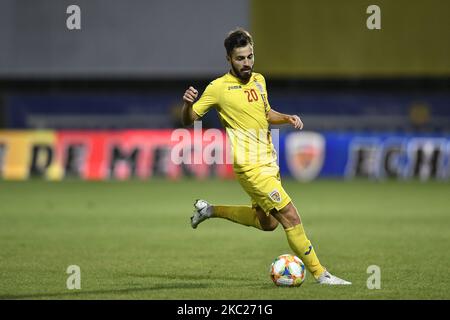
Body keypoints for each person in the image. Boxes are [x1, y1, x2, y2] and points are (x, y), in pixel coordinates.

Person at [181, 28, 351, 285]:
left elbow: (266, 112)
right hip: (251, 167)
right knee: (290, 216)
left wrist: (287, 118)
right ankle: (321, 274)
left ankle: (210, 210)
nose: (247, 63)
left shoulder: (259, 80)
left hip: (269, 162)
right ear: (229, 59)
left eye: (250, 56)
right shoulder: (217, 88)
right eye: (240, 58)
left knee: (268, 223)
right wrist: (186, 104)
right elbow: (190, 120)